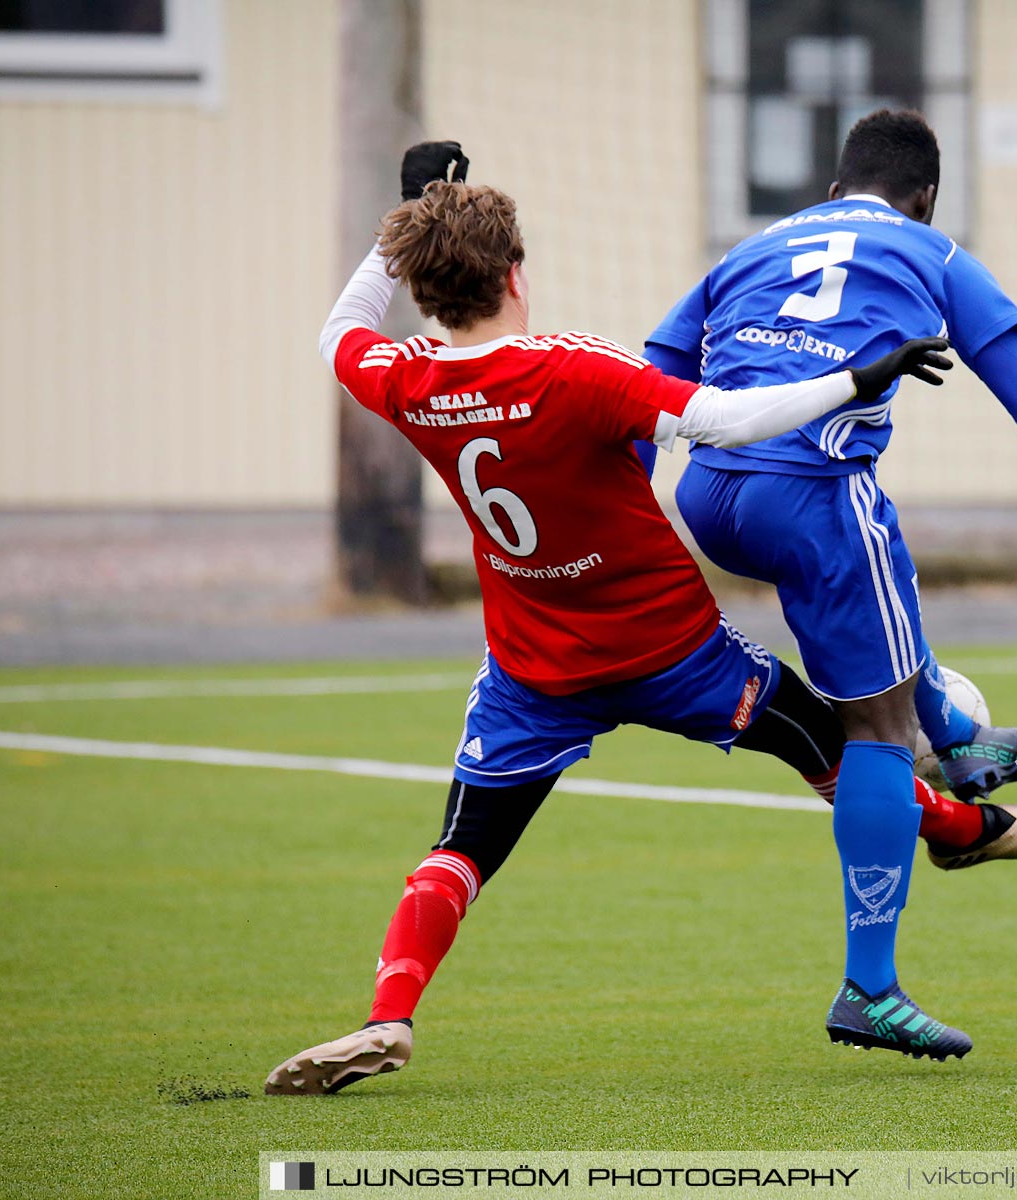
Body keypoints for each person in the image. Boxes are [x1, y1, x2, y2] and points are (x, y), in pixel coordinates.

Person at [266, 142, 967, 1095]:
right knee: (830, 740)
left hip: (533, 671)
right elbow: (723, 419)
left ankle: (387, 1015)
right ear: (517, 271)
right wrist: (855, 377)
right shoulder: (572, 371)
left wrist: (404, 214)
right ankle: (953, 828)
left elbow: (337, 331)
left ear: (422, 287)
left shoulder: (405, 377)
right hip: (672, 653)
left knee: (460, 851)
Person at [645, 109, 1017, 1056]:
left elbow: (653, 377)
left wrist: (634, 513)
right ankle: (871, 986)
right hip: (808, 495)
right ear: (925, 196)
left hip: (709, 495)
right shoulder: (935, 251)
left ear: (837, 185)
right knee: (878, 729)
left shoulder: (754, 245)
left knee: (884, 561)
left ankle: (962, 740)